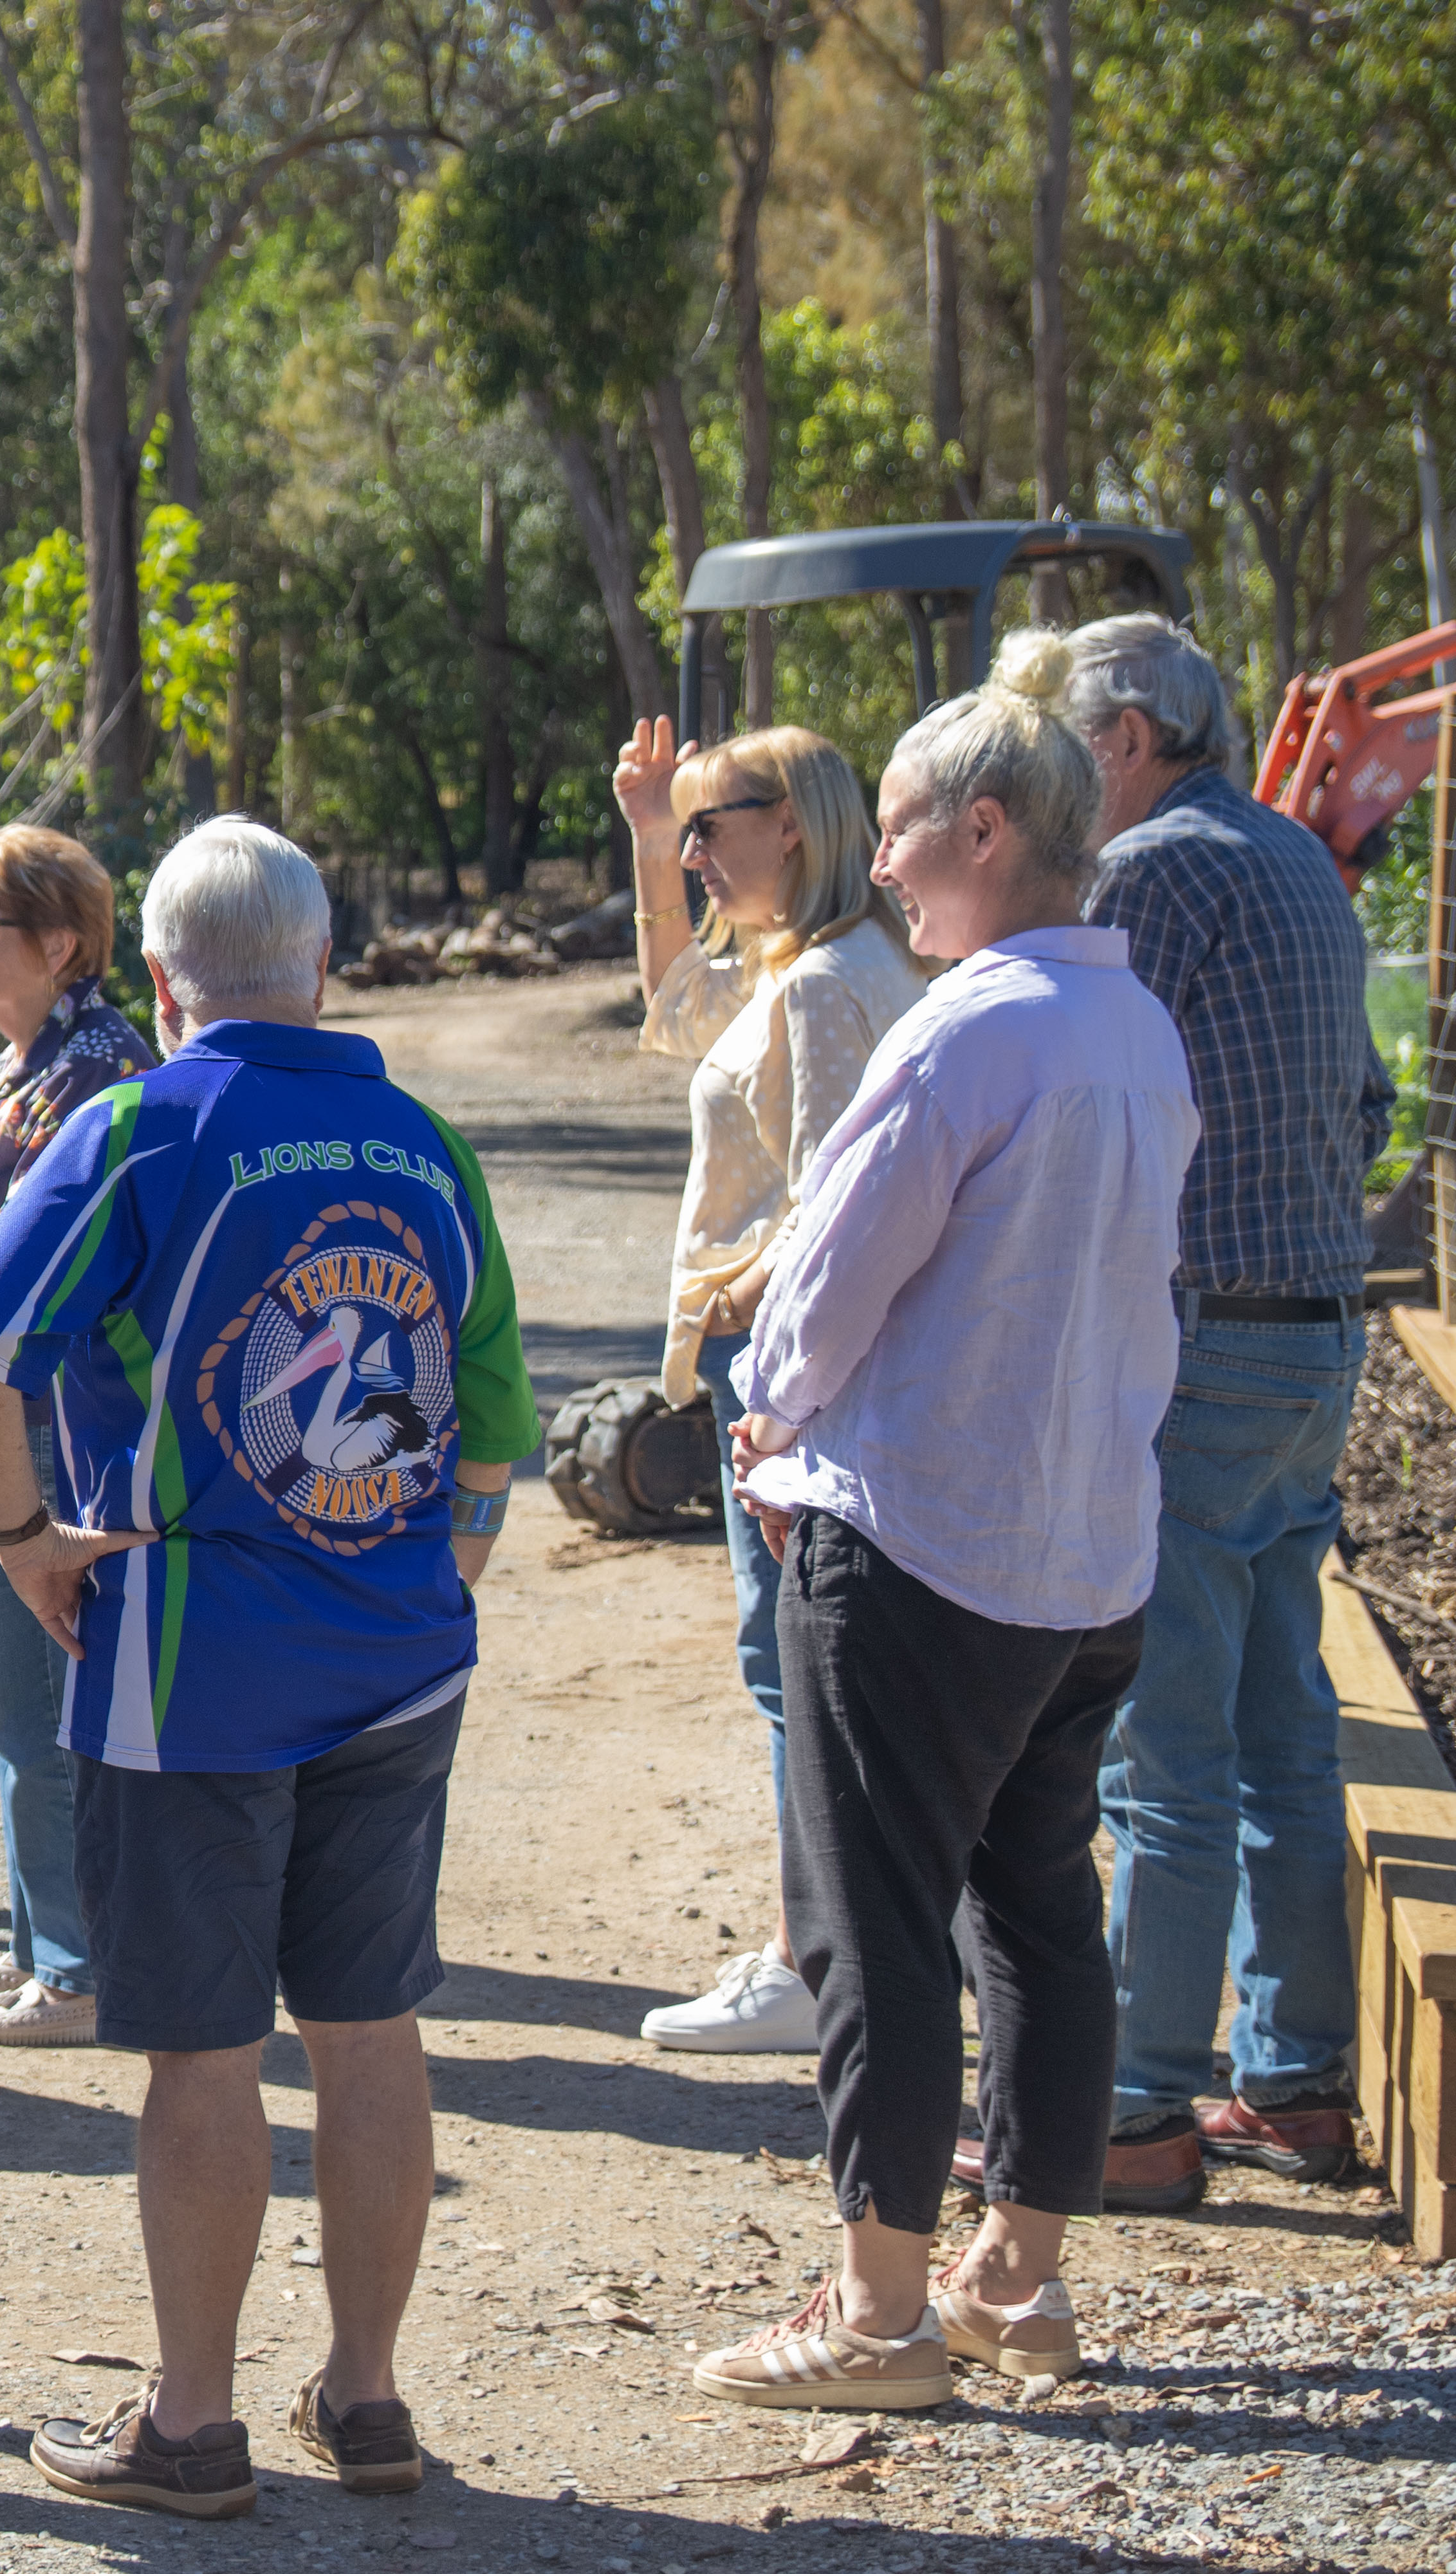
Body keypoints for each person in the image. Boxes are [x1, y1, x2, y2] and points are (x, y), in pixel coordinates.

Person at [0, 817, 536, 2522]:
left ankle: (192, 2427)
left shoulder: (139, 1122)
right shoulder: (424, 1144)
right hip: (399, 1658)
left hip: (192, 1663)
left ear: (169, 984)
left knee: (201, 2050)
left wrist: (24, 1538)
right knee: (370, 2025)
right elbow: (493, 1425)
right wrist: (433, 1578)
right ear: (323, 966)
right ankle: (368, 2395)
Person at [696, 655, 1193, 2412]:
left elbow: (829, 1282)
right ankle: (1015, 2278)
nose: (884, 862)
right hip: (1088, 1552)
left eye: (901, 829)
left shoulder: (970, 1027)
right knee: (1041, 1910)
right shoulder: (1134, 1027)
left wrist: (767, 1407)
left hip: (921, 1540)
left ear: (985, 827)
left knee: (876, 1923)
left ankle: (879, 2310)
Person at [1046, 615, 1393, 2210]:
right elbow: (1374, 1106)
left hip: (1202, 1342)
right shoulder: (1298, 862)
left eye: (1065, 743)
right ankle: (1298, 2074)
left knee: (1163, 1746)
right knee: (1281, 1722)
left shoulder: (1145, 876)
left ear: (1122, 735)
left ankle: (1136, 2103)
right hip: (1319, 1330)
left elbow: (1083, 1089)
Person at [609, 723, 930, 2056]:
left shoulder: (823, 984)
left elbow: (838, 1206)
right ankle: (833, 1944)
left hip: (796, 1367)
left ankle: (823, 1958)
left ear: (789, 819)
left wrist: (744, 1319)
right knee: (796, 1661)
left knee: (793, 1663)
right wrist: (645, 839)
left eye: (706, 825)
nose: (693, 852)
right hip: (795, 1361)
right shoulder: (803, 964)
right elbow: (677, 1006)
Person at [0, 827, 154, 2047]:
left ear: (61, 942)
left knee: (47, 1700)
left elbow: (27, 1258)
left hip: (49, 1430)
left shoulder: (96, 1066)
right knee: (8, 1696)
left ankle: (77, 1968)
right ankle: (35, 1938)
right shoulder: (29, 1060)